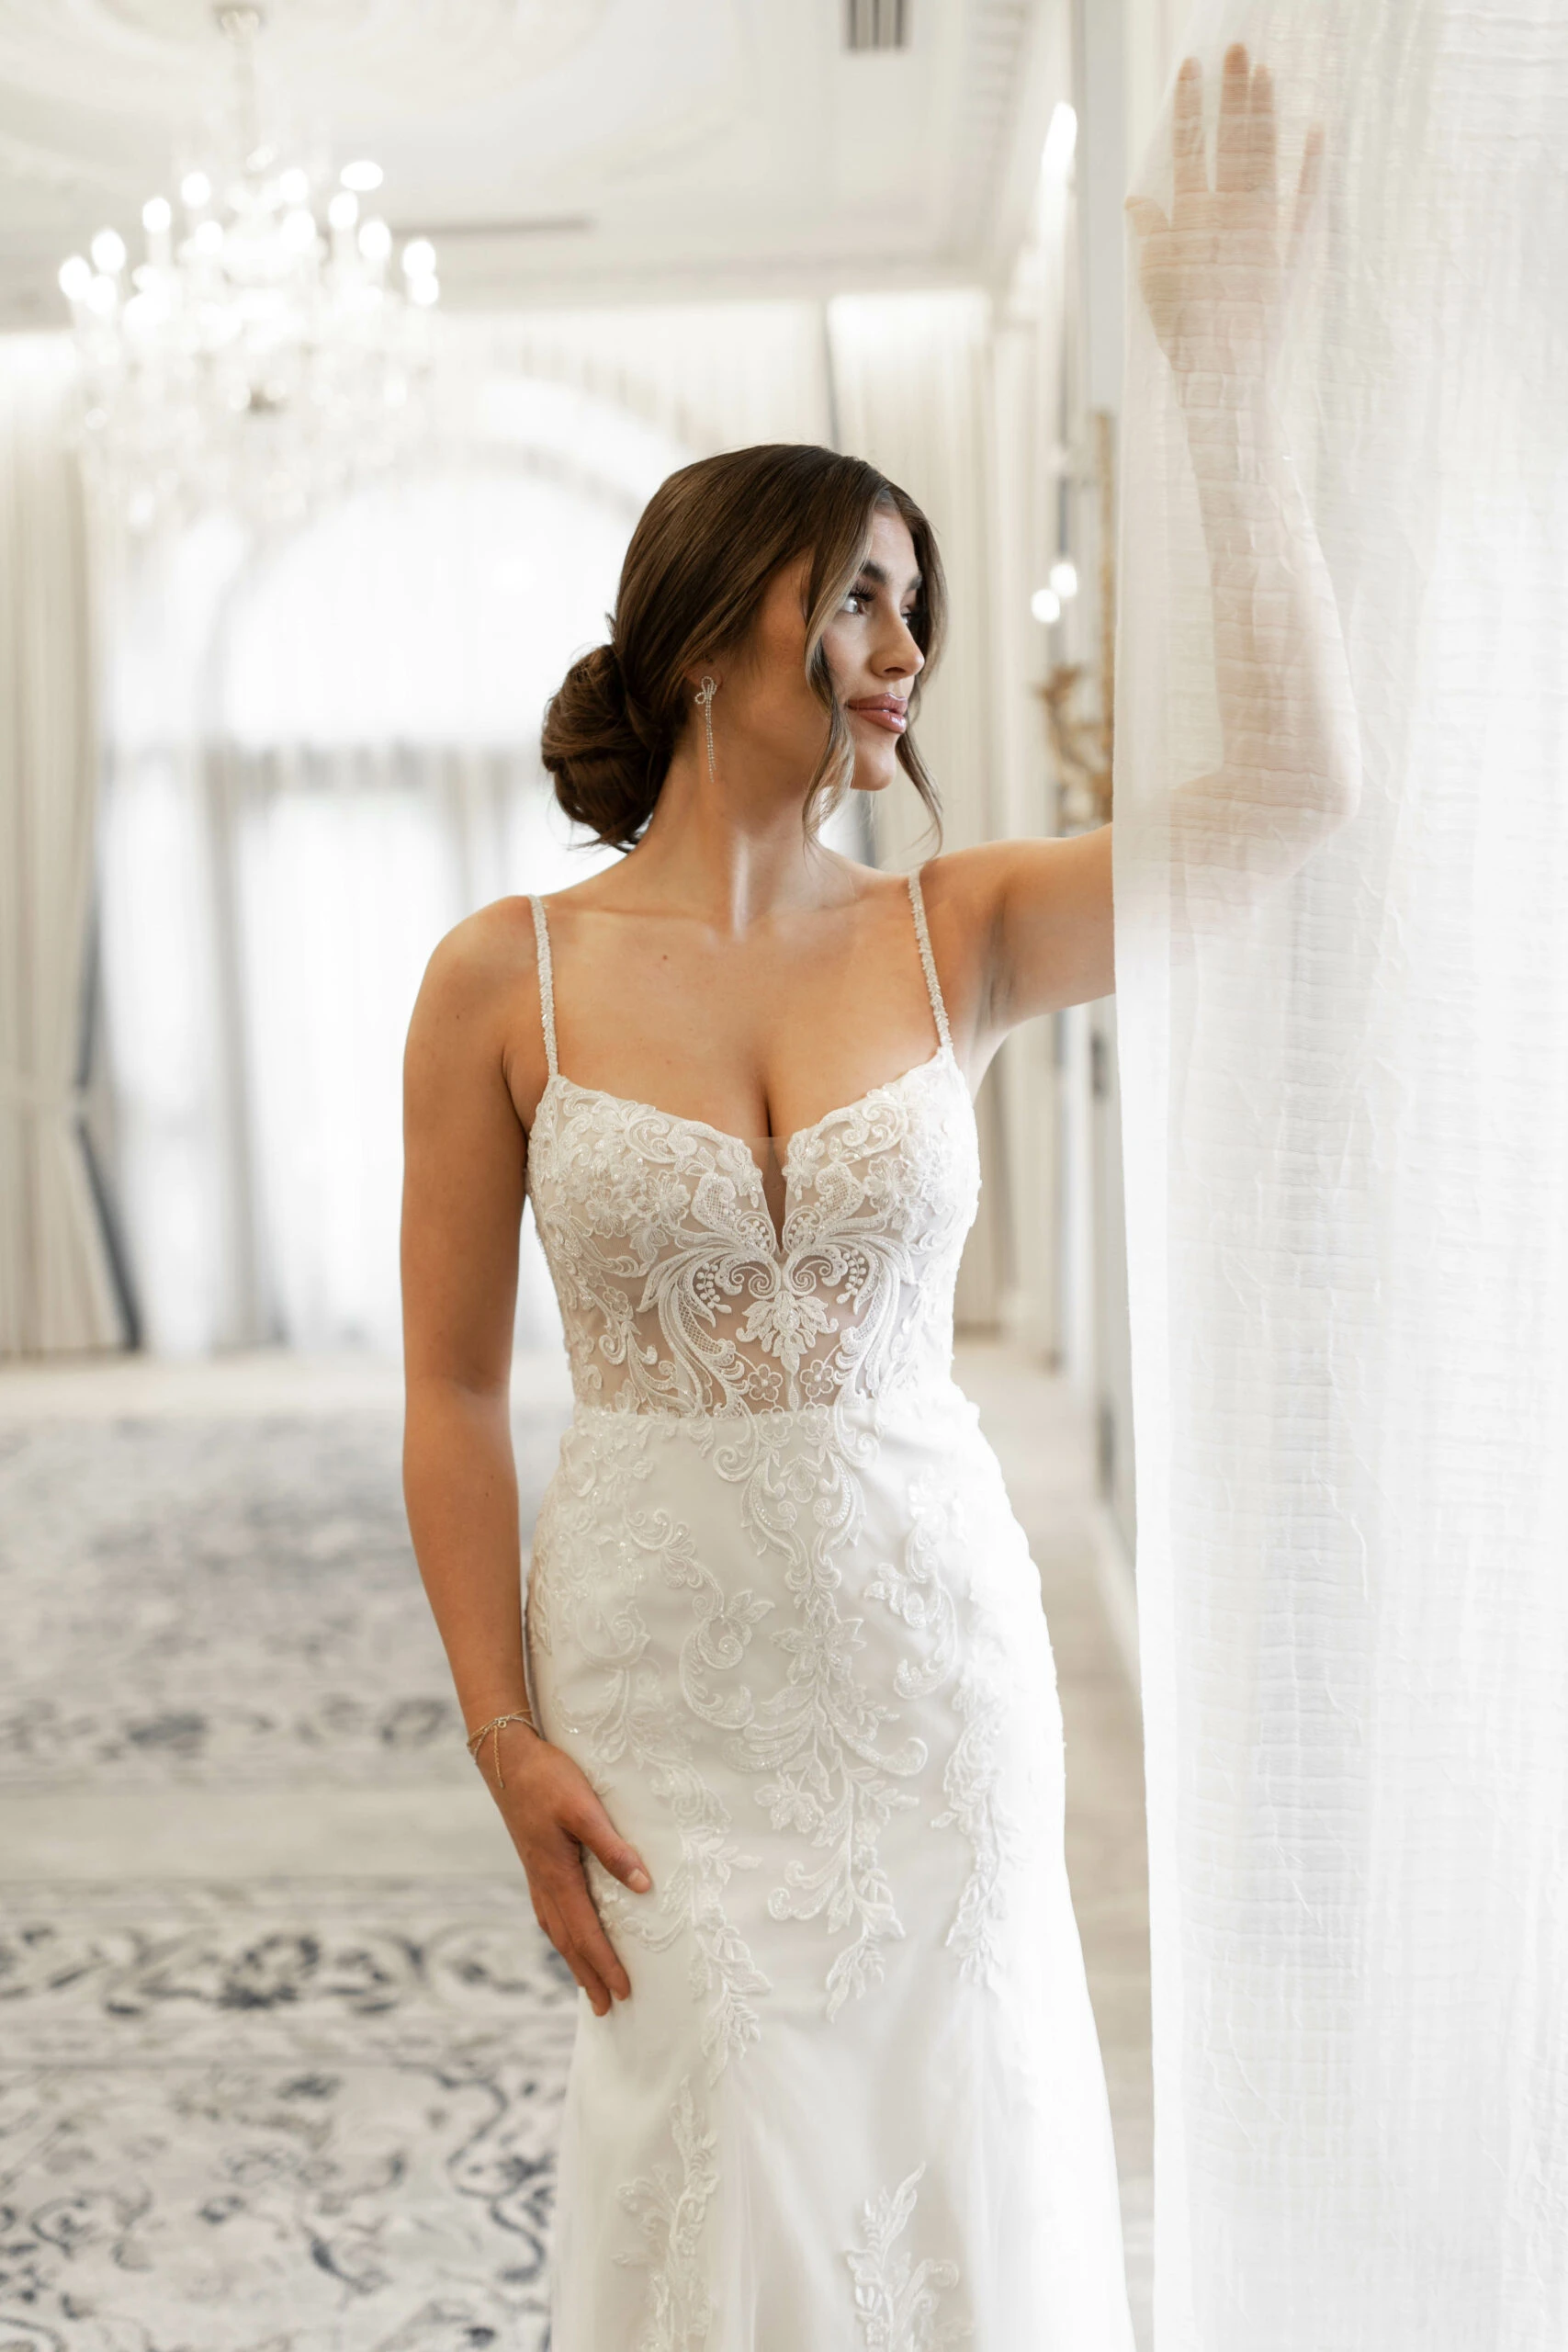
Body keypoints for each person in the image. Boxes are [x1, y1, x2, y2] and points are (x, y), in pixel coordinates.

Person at [400, 45, 1355, 2346]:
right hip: (658, 1670)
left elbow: (1301, 795)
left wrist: (1223, 377)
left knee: (954, 2138)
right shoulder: (495, 978)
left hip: (930, 1653)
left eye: (915, 600)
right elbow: (443, 1385)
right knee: (704, 2142)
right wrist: (502, 1728)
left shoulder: (963, 925)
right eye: (860, 596)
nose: (906, 651)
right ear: (717, 618)